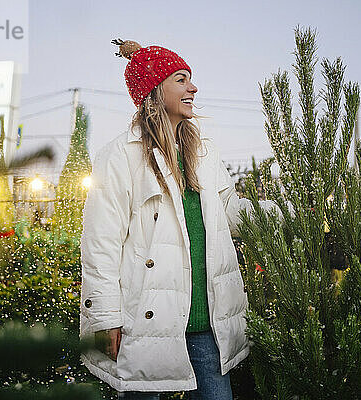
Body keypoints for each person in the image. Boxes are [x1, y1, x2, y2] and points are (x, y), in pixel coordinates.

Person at [79, 39, 272, 399]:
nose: (193, 88)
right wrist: (105, 317)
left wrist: (281, 216)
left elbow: (229, 211)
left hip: (207, 321)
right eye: (181, 80)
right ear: (155, 89)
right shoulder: (120, 157)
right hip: (146, 321)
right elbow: (100, 242)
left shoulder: (205, 152)